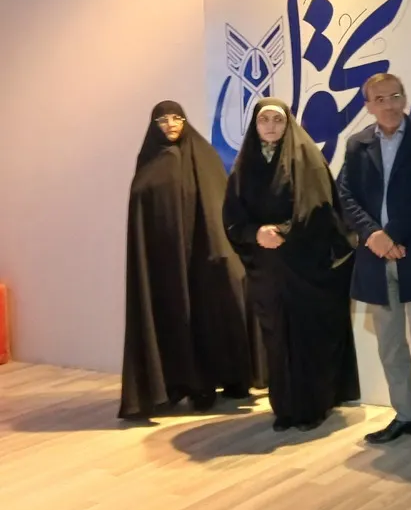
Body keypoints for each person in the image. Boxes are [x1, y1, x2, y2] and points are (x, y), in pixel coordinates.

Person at [119, 101, 264, 419]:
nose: (170, 124)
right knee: (176, 317)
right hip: (166, 264)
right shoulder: (148, 166)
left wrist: (221, 250)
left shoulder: (204, 157)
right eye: (162, 119)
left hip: (206, 258)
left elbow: (219, 204)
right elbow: (143, 219)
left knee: (214, 314)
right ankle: (185, 385)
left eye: (176, 118)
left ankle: (226, 379)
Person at [223, 99, 360, 432]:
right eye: (264, 120)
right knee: (277, 338)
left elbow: (319, 207)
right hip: (268, 270)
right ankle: (285, 407)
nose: (270, 126)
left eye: (277, 120)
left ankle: (314, 407)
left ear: (288, 124)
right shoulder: (245, 166)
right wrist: (256, 233)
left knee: (308, 336)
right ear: (255, 126)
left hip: (306, 266)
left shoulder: (306, 159)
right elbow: (232, 217)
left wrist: (283, 232)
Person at [337, 73, 411, 448]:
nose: (388, 105)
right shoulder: (357, 144)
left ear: (404, 99)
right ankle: (406, 415)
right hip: (375, 258)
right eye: (379, 99)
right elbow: (345, 195)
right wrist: (373, 235)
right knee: (389, 345)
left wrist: (392, 235)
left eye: (394, 96)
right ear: (368, 106)